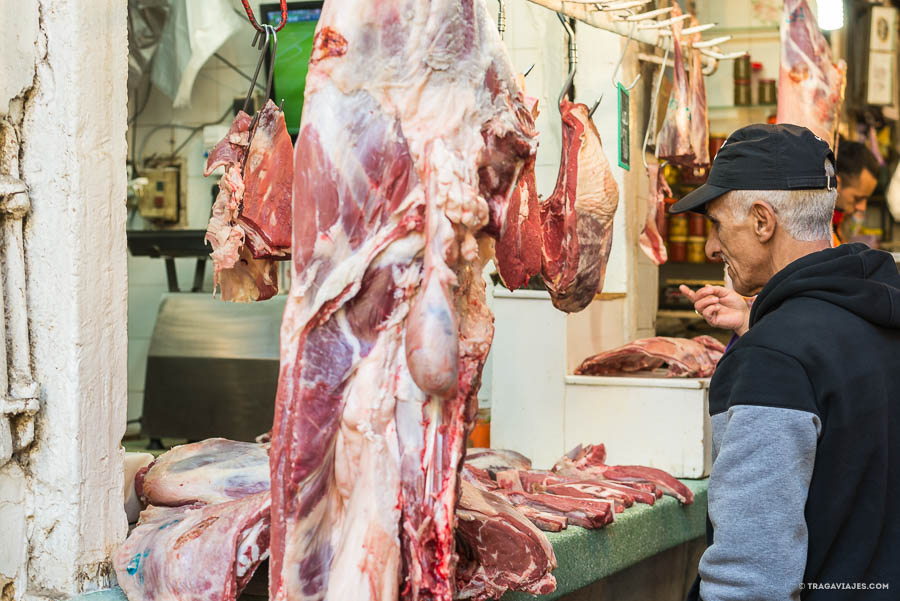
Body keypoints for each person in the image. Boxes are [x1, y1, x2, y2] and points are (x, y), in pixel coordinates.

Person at [669, 123, 899, 600]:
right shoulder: (878, 316)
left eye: (716, 224)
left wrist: (770, 340)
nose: (713, 247)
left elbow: (753, 576)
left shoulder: (774, 360)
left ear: (761, 221)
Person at [833, 140, 879, 245]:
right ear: (835, 184)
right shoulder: (815, 230)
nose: (862, 207)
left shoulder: (837, 221)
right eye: (857, 198)